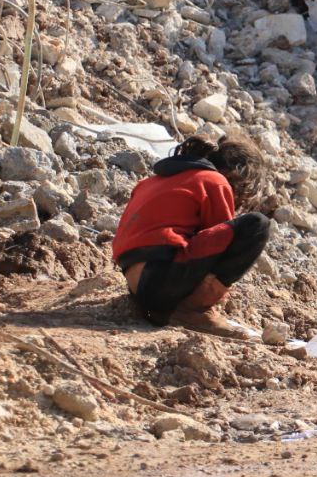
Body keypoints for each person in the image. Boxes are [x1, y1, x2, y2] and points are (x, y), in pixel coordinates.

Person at [112, 134, 272, 339]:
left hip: (137, 288)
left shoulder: (151, 181)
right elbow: (219, 243)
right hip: (160, 281)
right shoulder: (214, 181)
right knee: (257, 224)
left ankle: (172, 309)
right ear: (234, 174)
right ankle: (191, 312)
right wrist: (214, 292)